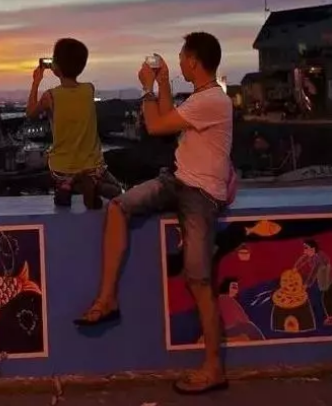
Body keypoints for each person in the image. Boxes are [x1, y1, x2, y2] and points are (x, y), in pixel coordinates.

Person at [74, 32, 233, 396]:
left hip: (200, 195)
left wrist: (147, 88)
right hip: (177, 180)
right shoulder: (202, 98)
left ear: (194, 61)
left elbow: (155, 125)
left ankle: (214, 368)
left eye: (182, 57)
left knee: (199, 280)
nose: (178, 62)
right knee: (119, 207)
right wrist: (161, 85)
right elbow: (167, 119)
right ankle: (107, 299)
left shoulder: (212, 100)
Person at [26, 38, 108, 209]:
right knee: (110, 183)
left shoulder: (50, 96)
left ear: (56, 66)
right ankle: (89, 182)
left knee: (63, 173)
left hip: (61, 168)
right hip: (92, 166)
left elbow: (30, 113)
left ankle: (65, 185)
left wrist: (36, 81)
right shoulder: (89, 89)